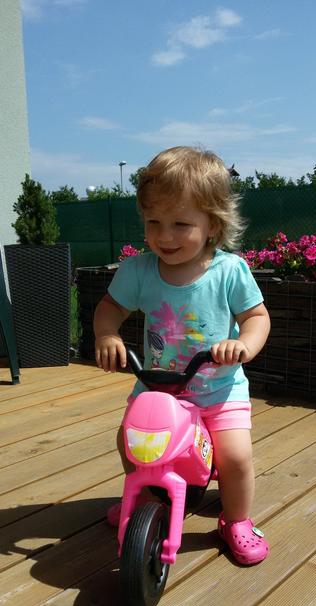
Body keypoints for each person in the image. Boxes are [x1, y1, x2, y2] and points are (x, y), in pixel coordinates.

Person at [93, 146, 271, 565]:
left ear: (213, 225)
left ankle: (236, 519)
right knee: (129, 441)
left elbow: (257, 317)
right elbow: (110, 308)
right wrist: (107, 333)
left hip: (219, 389)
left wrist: (243, 345)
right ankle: (144, 499)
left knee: (235, 457)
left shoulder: (229, 271)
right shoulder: (139, 270)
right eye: (153, 222)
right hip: (159, 387)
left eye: (180, 224)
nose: (165, 236)